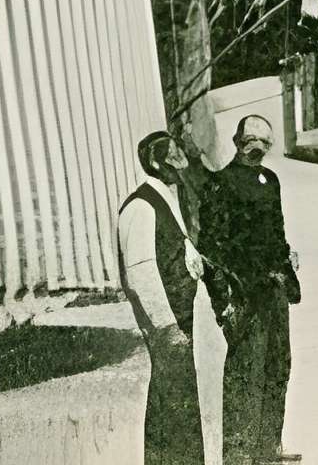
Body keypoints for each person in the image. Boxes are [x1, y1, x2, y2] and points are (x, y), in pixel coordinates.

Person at [201, 115, 303, 465]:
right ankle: (240, 455)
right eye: (250, 140)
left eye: (264, 142)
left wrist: (286, 257)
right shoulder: (220, 183)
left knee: (278, 365)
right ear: (237, 142)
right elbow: (212, 248)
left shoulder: (270, 180)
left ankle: (269, 446)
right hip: (245, 293)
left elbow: (276, 230)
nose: (257, 147)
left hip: (274, 289)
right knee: (246, 372)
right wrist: (225, 298)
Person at [117, 130, 209, 465]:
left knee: (179, 402)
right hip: (168, 326)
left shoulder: (166, 197)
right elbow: (140, 273)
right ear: (155, 162)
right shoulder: (141, 206)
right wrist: (167, 326)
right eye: (172, 154)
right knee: (172, 404)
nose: (179, 160)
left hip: (181, 320)